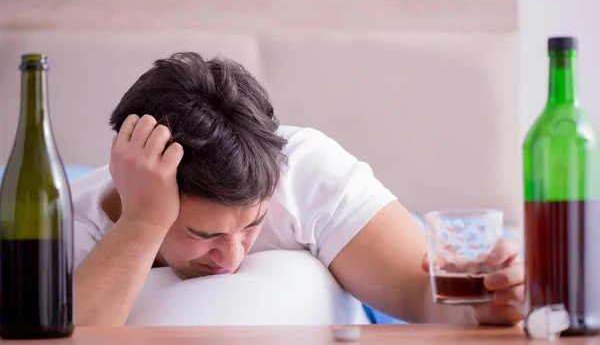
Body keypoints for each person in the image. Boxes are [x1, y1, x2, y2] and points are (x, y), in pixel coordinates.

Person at [72, 52, 524, 327]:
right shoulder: (67, 226)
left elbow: (422, 296)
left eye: (252, 225)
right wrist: (143, 221)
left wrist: (482, 306)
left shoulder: (305, 170)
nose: (231, 258)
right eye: (205, 235)